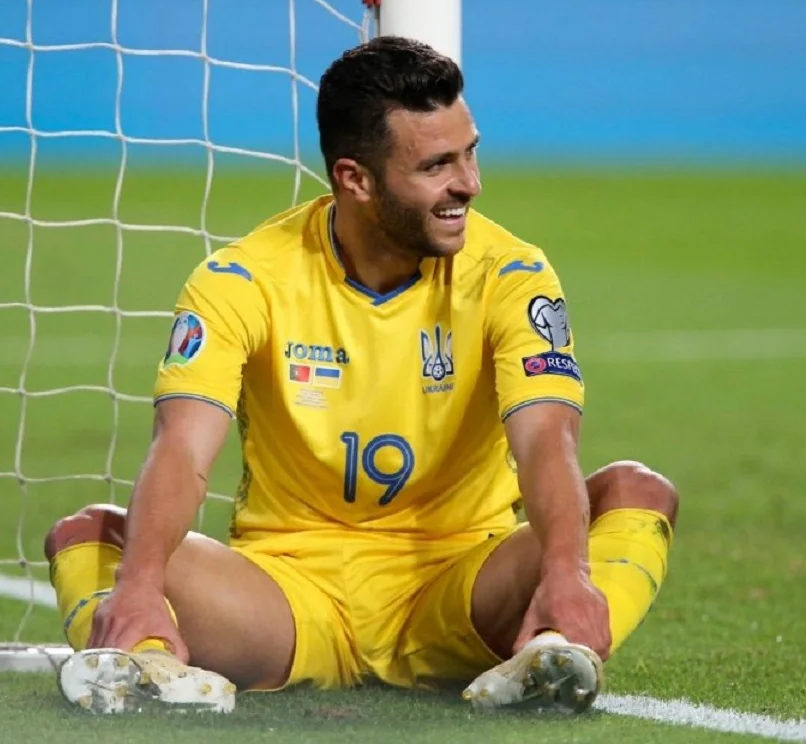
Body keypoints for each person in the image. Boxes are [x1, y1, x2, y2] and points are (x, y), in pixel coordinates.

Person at [45, 36, 679, 715]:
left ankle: (551, 655)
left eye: (470, 152)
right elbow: (181, 448)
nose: (469, 183)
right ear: (356, 179)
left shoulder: (511, 273)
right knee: (91, 536)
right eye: (437, 165)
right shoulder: (242, 279)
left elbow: (546, 439)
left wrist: (565, 573)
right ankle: (145, 663)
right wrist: (141, 585)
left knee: (634, 492)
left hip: (463, 584)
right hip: (287, 598)